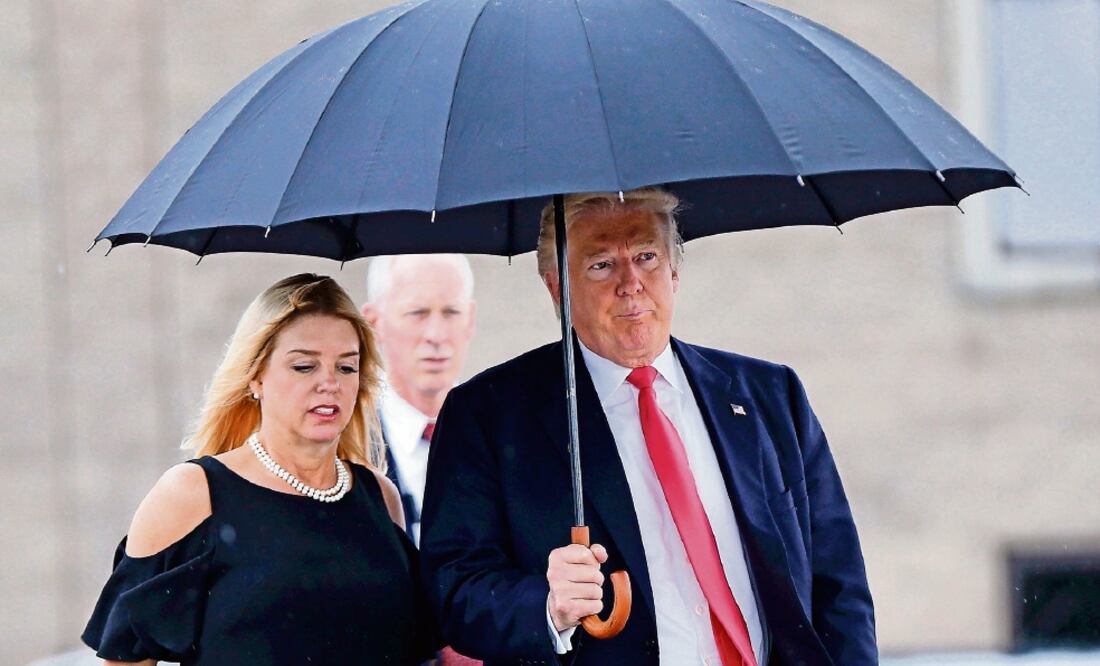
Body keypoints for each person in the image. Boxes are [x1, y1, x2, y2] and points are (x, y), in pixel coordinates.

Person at [419, 190, 877, 665]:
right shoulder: (488, 415)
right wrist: (548, 605)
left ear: (675, 272)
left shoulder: (768, 394)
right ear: (558, 287)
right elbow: (457, 591)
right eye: (601, 265)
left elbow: (839, 586)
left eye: (646, 257)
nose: (631, 283)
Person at [82, 274, 440, 665]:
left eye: (346, 368)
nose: (329, 384)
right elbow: (126, 659)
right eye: (304, 366)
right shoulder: (193, 494)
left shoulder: (380, 497)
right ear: (256, 377)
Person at [361, 254, 477, 546]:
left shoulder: (505, 433)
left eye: (451, 312)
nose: (436, 335)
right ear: (374, 323)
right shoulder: (344, 442)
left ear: (470, 320)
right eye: (417, 313)